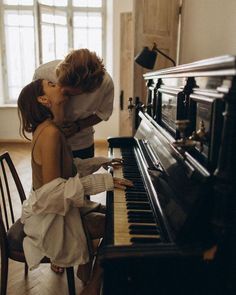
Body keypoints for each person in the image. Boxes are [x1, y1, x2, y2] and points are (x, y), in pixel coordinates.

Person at [17, 79, 133, 295]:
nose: (59, 84)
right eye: (51, 84)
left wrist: (102, 162)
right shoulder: (50, 133)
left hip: (53, 210)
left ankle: (87, 267)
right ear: (44, 99)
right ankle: (92, 284)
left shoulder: (53, 128)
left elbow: (69, 168)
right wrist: (104, 182)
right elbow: (54, 193)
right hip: (51, 220)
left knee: (114, 216)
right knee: (117, 227)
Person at [33, 48, 114, 159]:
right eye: (55, 85)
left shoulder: (105, 83)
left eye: (68, 93)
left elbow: (103, 113)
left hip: (82, 143)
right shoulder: (42, 74)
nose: (61, 93)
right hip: (48, 142)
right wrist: (52, 127)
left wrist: (78, 126)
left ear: (87, 90)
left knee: (83, 176)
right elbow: (33, 108)